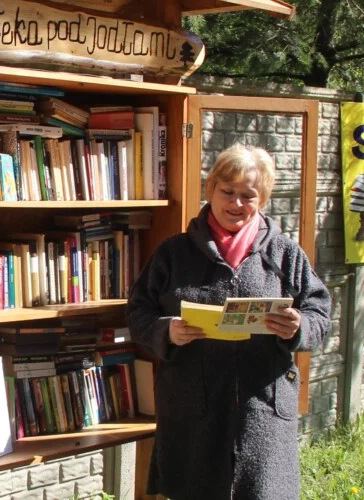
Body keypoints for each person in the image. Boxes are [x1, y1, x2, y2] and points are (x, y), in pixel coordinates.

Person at [127, 143, 332, 500]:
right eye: (228, 192)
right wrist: (167, 331)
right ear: (211, 190)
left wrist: (299, 326)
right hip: (194, 412)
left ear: (262, 199)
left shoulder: (284, 254)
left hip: (263, 412)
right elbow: (138, 313)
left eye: (248, 196)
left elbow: (321, 315)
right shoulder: (173, 253)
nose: (236, 204)